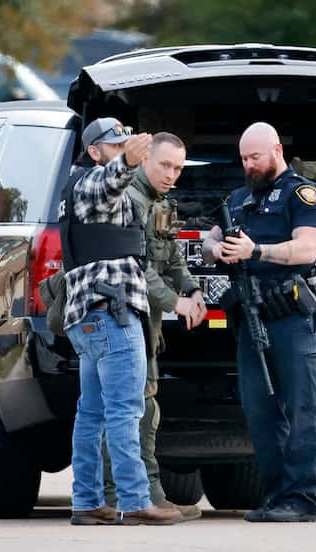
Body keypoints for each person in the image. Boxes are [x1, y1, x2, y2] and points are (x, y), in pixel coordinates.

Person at [203, 122, 316, 522]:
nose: (248, 164)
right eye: (243, 158)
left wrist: (255, 250)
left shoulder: (302, 194)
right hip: (253, 318)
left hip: (293, 317)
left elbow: (308, 247)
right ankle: (277, 498)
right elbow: (209, 239)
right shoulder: (239, 199)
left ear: (276, 150)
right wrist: (217, 249)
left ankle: (301, 499)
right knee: (260, 412)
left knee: (300, 409)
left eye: (254, 157)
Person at [63, 117, 184, 526]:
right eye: (112, 146)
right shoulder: (88, 182)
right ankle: (134, 501)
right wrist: (128, 161)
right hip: (111, 313)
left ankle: (87, 502)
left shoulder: (81, 186)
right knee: (125, 411)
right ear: (94, 151)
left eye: (123, 146)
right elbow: (109, 184)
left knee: (92, 413)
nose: (121, 150)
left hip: (92, 317)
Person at [102, 132, 207, 521]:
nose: (172, 174)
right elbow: (137, 267)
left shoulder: (159, 202)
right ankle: (122, 496)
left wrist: (192, 289)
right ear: (145, 159)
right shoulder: (128, 200)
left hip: (148, 326)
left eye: (178, 168)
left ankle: (146, 493)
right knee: (131, 411)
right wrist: (175, 301)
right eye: (165, 165)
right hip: (123, 320)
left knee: (144, 409)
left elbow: (172, 256)